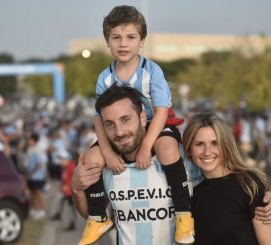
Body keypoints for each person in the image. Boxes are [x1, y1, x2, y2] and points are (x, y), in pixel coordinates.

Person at [71, 85, 271, 245]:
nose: (119, 131)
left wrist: (267, 193)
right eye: (110, 124)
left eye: (126, 120)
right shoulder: (106, 169)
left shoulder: (179, 166)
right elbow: (94, 216)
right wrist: (77, 189)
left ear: (143, 117)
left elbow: (226, 179)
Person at [81, 5, 192, 245]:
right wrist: (108, 153)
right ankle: (98, 217)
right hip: (123, 127)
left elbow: (161, 111)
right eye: (116, 37)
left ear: (141, 41)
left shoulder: (152, 71)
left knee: (168, 150)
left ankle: (184, 215)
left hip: (157, 124)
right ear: (107, 42)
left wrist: (145, 147)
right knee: (91, 159)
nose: (123, 43)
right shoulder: (105, 77)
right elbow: (99, 117)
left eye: (130, 37)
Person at [182, 112, 271, 245]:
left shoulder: (249, 184)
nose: (207, 152)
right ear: (189, 149)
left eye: (215, 143)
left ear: (225, 145)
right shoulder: (192, 191)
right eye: (199, 144)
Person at [24, 133, 47, 220]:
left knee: (38, 193)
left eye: (30, 139)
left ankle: (41, 210)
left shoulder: (37, 150)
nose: (28, 141)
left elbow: (38, 164)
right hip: (31, 176)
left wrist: (31, 173)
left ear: (34, 140)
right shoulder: (29, 149)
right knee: (32, 193)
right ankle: (33, 210)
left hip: (37, 176)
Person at [57, 149, 77, 231]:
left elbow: (74, 180)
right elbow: (64, 179)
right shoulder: (65, 167)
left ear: (67, 159)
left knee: (70, 208)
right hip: (67, 192)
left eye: (62, 159)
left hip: (71, 192)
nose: (61, 161)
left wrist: (68, 186)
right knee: (67, 207)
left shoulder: (71, 167)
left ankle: (71, 223)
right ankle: (69, 222)